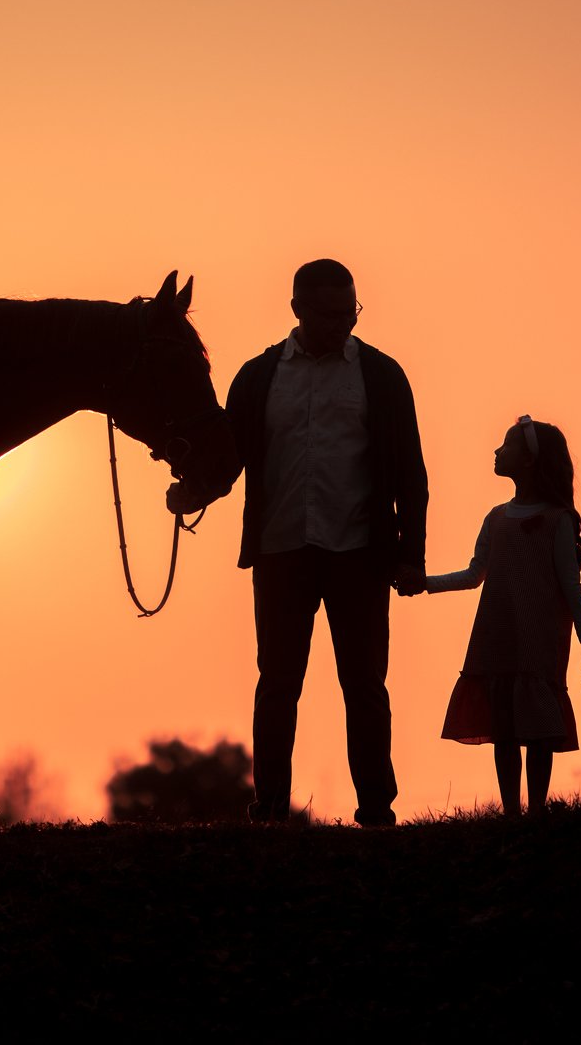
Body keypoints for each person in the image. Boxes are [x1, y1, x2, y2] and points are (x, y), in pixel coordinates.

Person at [208, 259, 427, 826]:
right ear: (297, 309)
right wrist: (191, 491)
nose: (342, 324)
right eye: (330, 314)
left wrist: (411, 556)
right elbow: (228, 458)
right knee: (277, 683)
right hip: (280, 551)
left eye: (350, 312)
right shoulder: (257, 377)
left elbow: (411, 473)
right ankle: (272, 806)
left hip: (359, 552)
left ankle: (376, 805)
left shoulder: (382, 376)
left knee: (364, 685)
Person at [417, 416, 581, 816]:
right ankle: (513, 812)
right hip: (497, 634)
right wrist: (424, 583)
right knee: (504, 726)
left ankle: (534, 810)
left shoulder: (558, 520)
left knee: (535, 728)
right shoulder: (496, 517)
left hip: (540, 638)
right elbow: (473, 574)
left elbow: (571, 585)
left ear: (530, 459)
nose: (497, 452)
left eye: (506, 445)